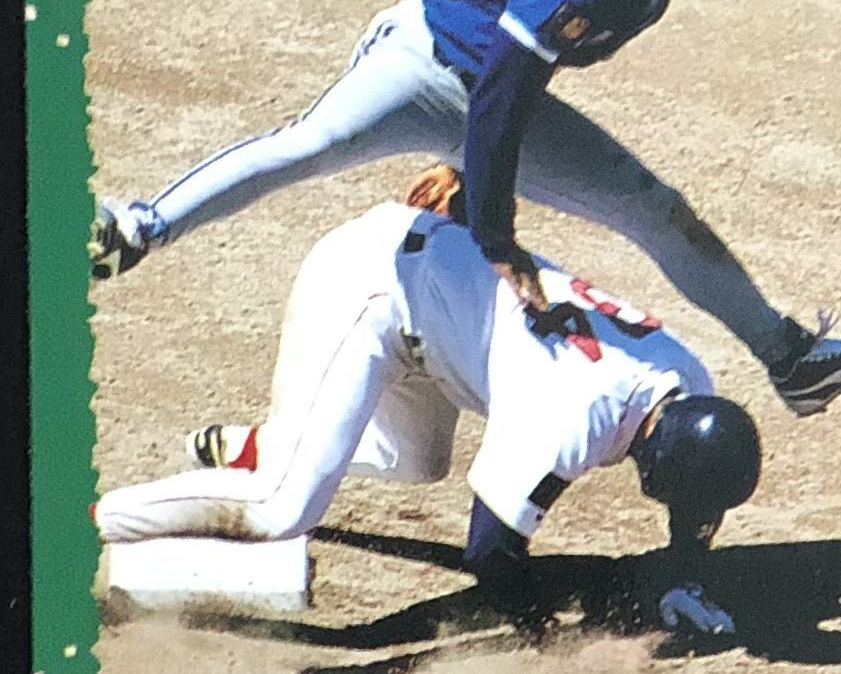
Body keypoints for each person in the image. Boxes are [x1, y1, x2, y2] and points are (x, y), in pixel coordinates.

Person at [88, 0, 841, 418]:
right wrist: (495, 234)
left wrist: (467, 162)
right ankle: (138, 227)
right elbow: (505, 93)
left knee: (655, 209)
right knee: (314, 145)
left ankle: (789, 357)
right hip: (418, 64)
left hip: (492, 94)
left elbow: (520, 84)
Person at [93, 168, 773, 639]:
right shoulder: (572, 417)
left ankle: (259, 446)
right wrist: (543, 631)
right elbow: (491, 553)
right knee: (283, 507)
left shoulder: (686, 381)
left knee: (414, 460)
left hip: (430, 305)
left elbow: (696, 480)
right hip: (367, 288)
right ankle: (76, 526)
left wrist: (683, 578)